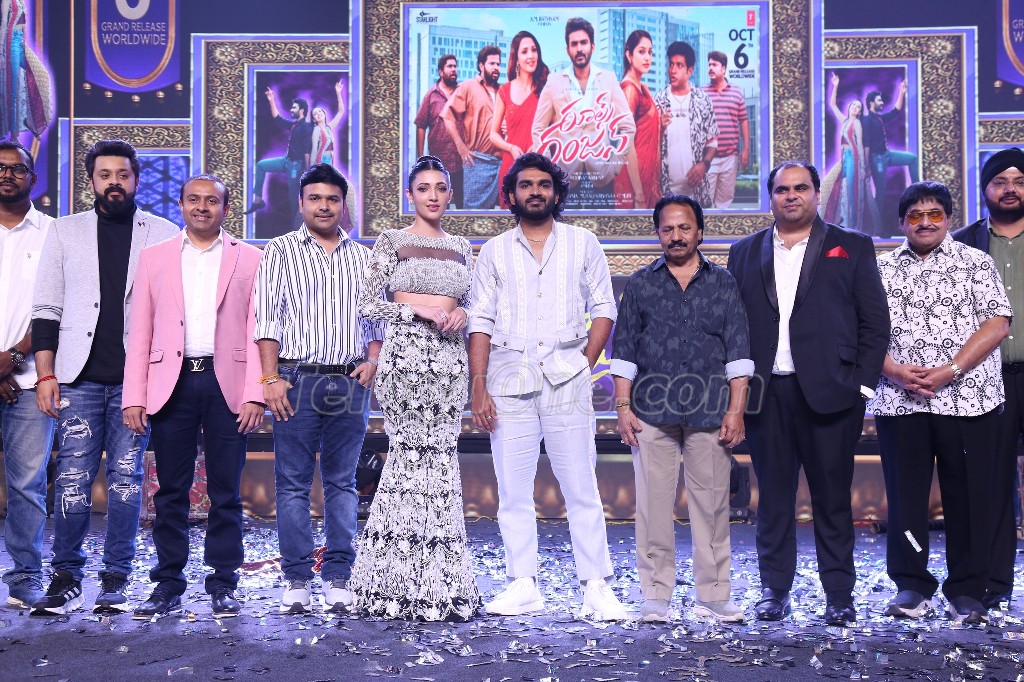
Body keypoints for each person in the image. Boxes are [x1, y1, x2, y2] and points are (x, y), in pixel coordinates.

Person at [726, 161, 889, 626]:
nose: (791, 196)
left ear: (817, 194)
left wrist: (861, 386)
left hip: (832, 395)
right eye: (782, 189)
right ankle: (775, 591)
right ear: (771, 198)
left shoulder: (851, 245)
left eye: (801, 188)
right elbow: (733, 327)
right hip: (766, 394)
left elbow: (875, 323)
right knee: (773, 500)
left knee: (832, 500)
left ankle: (839, 595)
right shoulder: (744, 251)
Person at [469, 152, 626, 621]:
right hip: (508, 378)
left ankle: (595, 587)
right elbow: (480, 320)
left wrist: (582, 363)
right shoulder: (494, 251)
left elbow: (605, 308)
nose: (534, 191)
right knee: (513, 491)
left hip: (566, 380)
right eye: (525, 185)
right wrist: (479, 387)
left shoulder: (582, 242)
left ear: (556, 193)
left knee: (581, 487)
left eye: (543, 184)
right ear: (511, 195)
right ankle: (523, 585)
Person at [31, 138, 179, 615]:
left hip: (136, 383)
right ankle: (66, 576)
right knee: (72, 476)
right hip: (78, 379)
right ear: (91, 180)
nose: (114, 182)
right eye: (105, 174)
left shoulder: (163, 233)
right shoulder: (64, 231)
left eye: (123, 174)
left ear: (135, 180)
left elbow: (171, 312)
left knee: (125, 478)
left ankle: (116, 576)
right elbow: (47, 308)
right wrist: (45, 374)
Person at [122, 174, 264, 619]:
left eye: (212, 201)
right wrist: (134, 395)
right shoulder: (155, 257)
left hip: (227, 384)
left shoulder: (251, 258)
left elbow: (258, 329)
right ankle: (167, 584)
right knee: (170, 491)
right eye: (193, 200)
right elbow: (140, 330)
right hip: (172, 383)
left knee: (226, 490)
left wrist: (255, 393)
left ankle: (223, 583)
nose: (202, 207)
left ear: (226, 208)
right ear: (181, 205)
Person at [870, 181, 1011, 625]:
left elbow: (997, 323)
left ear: (948, 218)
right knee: (906, 499)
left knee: (969, 499)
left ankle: (967, 590)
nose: (926, 222)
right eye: (916, 215)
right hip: (901, 401)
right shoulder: (879, 269)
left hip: (968, 399)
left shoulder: (975, 262)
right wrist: (895, 371)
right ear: (902, 222)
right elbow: (860, 331)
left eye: (935, 214)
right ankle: (911, 585)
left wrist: (951, 370)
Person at [349, 155, 479, 622]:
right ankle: (388, 584)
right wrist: (415, 311)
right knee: (407, 460)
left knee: (441, 462)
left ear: (450, 194)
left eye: (440, 188)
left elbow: (475, 304)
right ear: (410, 195)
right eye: (423, 188)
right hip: (405, 356)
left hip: (449, 362)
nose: (432, 195)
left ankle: (443, 584)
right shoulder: (392, 240)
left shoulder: (462, 246)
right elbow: (366, 302)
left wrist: (463, 313)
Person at [611, 194, 752, 624]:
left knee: (712, 509)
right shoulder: (640, 284)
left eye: (684, 227)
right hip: (651, 414)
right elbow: (624, 352)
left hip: (710, 413)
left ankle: (714, 595)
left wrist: (736, 411)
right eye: (668, 228)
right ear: (658, 234)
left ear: (700, 232)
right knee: (653, 509)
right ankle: (656, 595)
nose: (676, 236)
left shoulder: (723, 283)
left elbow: (738, 352)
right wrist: (622, 407)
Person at [253, 163, 384, 614]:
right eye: (315, 198)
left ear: (343, 204)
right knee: (292, 484)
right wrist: (270, 379)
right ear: (301, 203)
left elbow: (376, 320)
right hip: (296, 379)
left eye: (332, 199)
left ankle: (338, 575)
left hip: (350, 380)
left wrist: (373, 360)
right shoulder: (280, 251)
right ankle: (296, 578)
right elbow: (267, 320)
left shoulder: (365, 258)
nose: (324, 206)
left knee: (343, 483)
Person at [952, 147, 1024, 610]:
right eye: (1000, 181)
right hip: (985, 381)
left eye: (1019, 180)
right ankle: (994, 584)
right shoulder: (961, 245)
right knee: (991, 485)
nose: (1010, 189)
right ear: (984, 189)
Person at [0, 139, 55, 610]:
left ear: (33, 179)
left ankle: (24, 577)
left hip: (28, 381)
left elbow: (62, 309)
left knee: (27, 485)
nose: (7, 175)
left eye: (17, 169)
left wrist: (13, 358)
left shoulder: (54, 235)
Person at [531, 17, 642, 209]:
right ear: (568, 49)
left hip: (602, 175)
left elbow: (628, 126)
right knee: (565, 227)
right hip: (565, 177)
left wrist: (615, 164)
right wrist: (549, 167)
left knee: (601, 226)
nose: (579, 48)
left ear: (592, 46)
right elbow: (538, 129)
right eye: (574, 44)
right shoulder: (554, 82)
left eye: (583, 42)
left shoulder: (608, 79)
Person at [653, 41, 719, 207]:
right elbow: (649, 146)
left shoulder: (703, 100)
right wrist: (659, 128)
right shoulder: (658, 101)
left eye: (679, 65)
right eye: (671, 64)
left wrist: (704, 165)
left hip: (697, 193)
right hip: (664, 193)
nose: (672, 70)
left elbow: (712, 143)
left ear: (689, 70)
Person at [489, 31, 548, 208]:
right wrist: (511, 147)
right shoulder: (504, 91)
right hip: (511, 165)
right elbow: (493, 134)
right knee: (510, 219)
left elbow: (558, 127)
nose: (530, 56)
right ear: (516, 58)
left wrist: (539, 144)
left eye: (534, 50)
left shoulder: (546, 89)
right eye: (524, 51)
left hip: (540, 165)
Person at [442, 46, 502, 210]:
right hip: (478, 162)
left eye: (498, 64)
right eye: (492, 63)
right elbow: (447, 116)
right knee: (474, 214)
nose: (496, 67)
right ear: (481, 65)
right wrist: (461, 147)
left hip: (501, 163)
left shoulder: (502, 91)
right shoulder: (469, 86)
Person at [244, 88, 314, 227]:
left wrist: (306, 169)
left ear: (301, 110)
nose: (291, 110)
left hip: (296, 166)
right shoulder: (294, 125)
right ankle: (258, 200)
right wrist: (271, 100)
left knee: (294, 199)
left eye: (294, 107)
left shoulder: (306, 127)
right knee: (261, 166)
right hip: (286, 161)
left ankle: (298, 230)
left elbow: (307, 149)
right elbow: (278, 119)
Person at [820, 73, 878, 233]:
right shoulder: (845, 121)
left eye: (858, 107)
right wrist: (836, 85)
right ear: (849, 107)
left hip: (854, 158)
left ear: (859, 112)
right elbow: (832, 104)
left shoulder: (857, 123)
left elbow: (859, 145)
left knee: (852, 189)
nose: (855, 108)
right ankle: (845, 220)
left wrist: (863, 167)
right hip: (845, 158)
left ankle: (852, 225)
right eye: (854, 105)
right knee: (838, 186)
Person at [614, 30, 660, 210]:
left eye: (650, 52)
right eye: (641, 51)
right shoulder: (629, 90)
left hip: (647, 173)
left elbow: (644, 127)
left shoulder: (643, 88)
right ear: (629, 55)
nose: (647, 57)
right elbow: (627, 143)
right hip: (634, 179)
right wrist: (639, 194)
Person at [862, 82, 919, 221]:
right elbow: (866, 144)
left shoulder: (879, 118)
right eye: (879, 100)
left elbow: (896, 111)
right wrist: (867, 165)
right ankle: (877, 225)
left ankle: (918, 191)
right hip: (876, 159)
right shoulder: (867, 120)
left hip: (887, 154)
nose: (882, 102)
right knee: (881, 191)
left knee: (912, 158)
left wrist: (902, 92)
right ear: (871, 103)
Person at [702, 51, 750, 209]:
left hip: (730, 158)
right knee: (704, 203)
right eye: (709, 64)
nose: (710, 68)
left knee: (724, 204)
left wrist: (746, 149)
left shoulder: (736, 92)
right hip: (707, 159)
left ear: (723, 68)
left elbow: (744, 120)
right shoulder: (701, 93)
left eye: (714, 65)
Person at [416, 55, 463, 209]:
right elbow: (421, 125)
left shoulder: (462, 92)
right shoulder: (431, 96)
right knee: (441, 206)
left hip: (462, 163)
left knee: (463, 205)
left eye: (455, 66)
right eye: (450, 66)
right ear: (441, 72)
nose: (454, 70)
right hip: (439, 163)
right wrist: (421, 157)